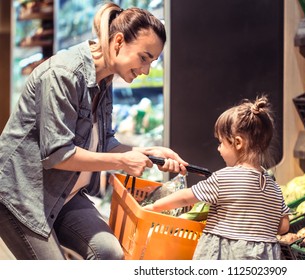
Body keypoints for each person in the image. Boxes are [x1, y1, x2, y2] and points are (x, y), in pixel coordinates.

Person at [0, 2, 188, 260]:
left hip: (66, 193)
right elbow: (57, 154)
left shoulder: (105, 79)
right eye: (144, 58)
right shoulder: (63, 73)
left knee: (110, 254)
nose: (145, 70)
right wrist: (123, 160)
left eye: (152, 62)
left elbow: (104, 142)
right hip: (23, 197)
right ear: (119, 41)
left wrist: (147, 153)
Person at [144, 96, 290, 260]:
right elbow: (284, 226)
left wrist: (155, 207)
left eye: (221, 142)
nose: (218, 148)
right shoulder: (273, 186)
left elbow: (186, 198)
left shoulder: (224, 178)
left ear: (238, 142)